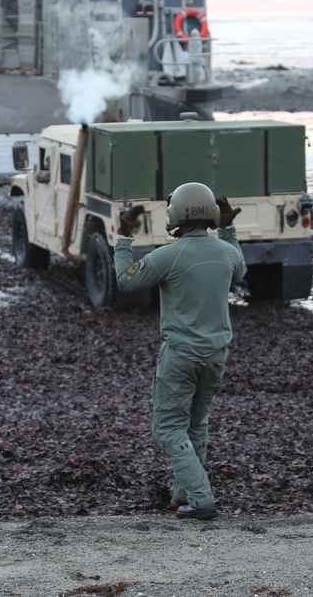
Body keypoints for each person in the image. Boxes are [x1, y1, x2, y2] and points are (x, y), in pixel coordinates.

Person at [114, 182, 246, 520]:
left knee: (168, 429)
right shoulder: (226, 252)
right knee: (196, 423)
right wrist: (229, 229)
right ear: (212, 215)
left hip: (181, 356)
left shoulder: (168, 256)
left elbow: (127, 282)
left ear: (176, 215)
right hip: (217, 354)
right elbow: (240, 270)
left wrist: (123, 238)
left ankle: (201, 499)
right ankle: (183, 492)